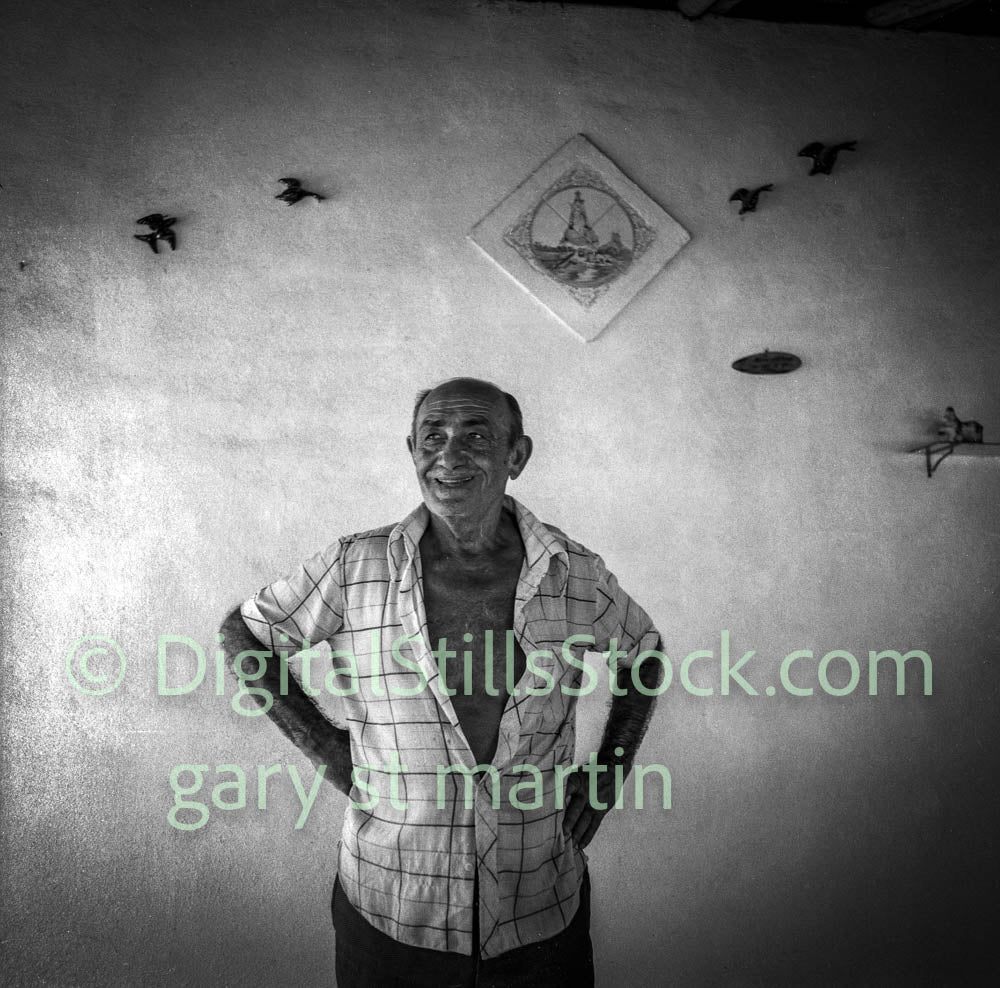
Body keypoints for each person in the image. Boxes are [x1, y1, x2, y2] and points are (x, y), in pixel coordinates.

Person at [219, 377, 664, 987]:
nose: (449, 456)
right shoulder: (354, 566)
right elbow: (245, 634)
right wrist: (327, 747)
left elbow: (644, 653)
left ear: (517, 456)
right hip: (393, 905)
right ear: (412, 450)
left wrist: (611, 765)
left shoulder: (574, 574)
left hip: (539, 905)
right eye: (433, 437)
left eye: (476, 437)